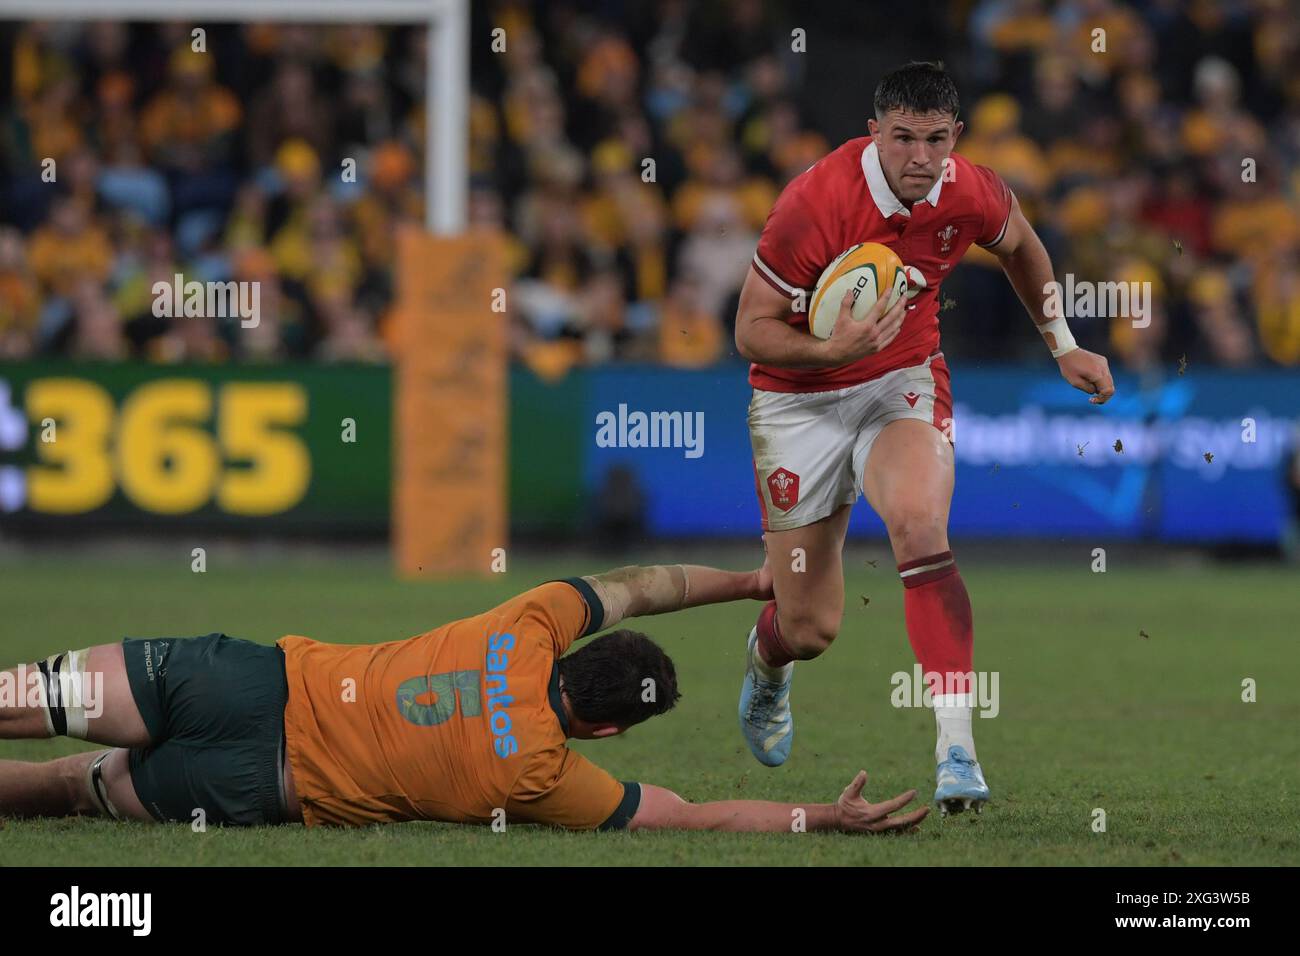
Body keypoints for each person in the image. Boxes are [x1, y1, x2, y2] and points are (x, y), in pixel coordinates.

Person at [733, 62, 1115, 814]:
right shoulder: (815, 201)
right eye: (902, 137)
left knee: (917, 523)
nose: (918, 157)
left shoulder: (967, 187)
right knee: (810, 627)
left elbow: (1023, 246)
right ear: (874, 132)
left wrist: (1063, 343)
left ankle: (957, 749)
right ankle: (767, 665)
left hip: (899, 383)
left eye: (934, 139)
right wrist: (831, 353)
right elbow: (749, 328)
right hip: (797, 402)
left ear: (955, 138)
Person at [0, 562, 927, 835]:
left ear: (582, 646)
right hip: (254, 784)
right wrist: (822, 817)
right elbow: (700, 817)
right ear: (607, 725)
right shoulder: (540, 776)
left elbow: (646, 586)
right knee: (58, 790)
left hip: (247, 679)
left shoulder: (529, 623)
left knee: (26, 696)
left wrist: (754, 582)